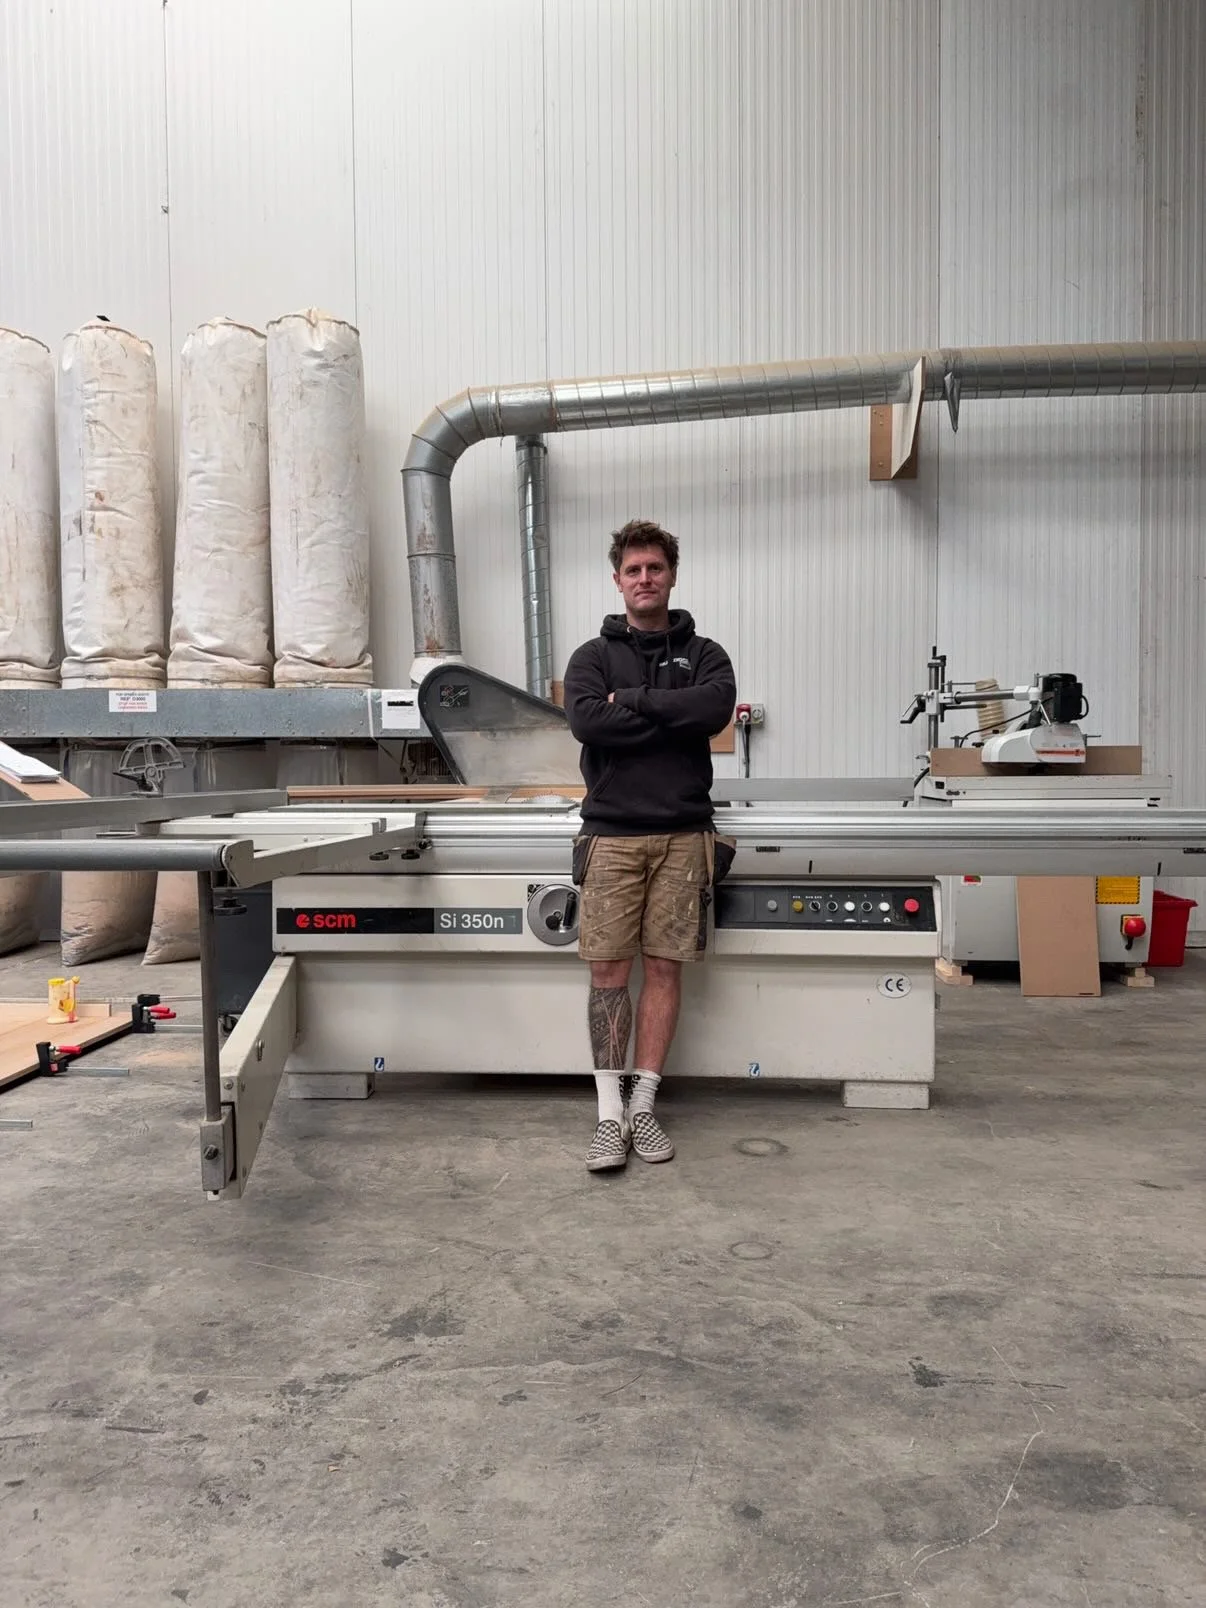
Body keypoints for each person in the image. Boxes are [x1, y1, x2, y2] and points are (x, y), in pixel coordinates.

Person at [563, 519, 737, 1173]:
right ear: (617, 581)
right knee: (608, 972)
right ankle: (610, 1117)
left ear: (671, 575)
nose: (644, 579)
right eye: (633, 570)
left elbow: (713, 710)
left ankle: (645, 1107)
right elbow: (586, 720)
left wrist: (633, 702)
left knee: (665, 968)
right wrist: (670, 714)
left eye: (654, 569)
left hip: (685, 835)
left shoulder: (708, 653)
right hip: (610, 836)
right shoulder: (589, 658)